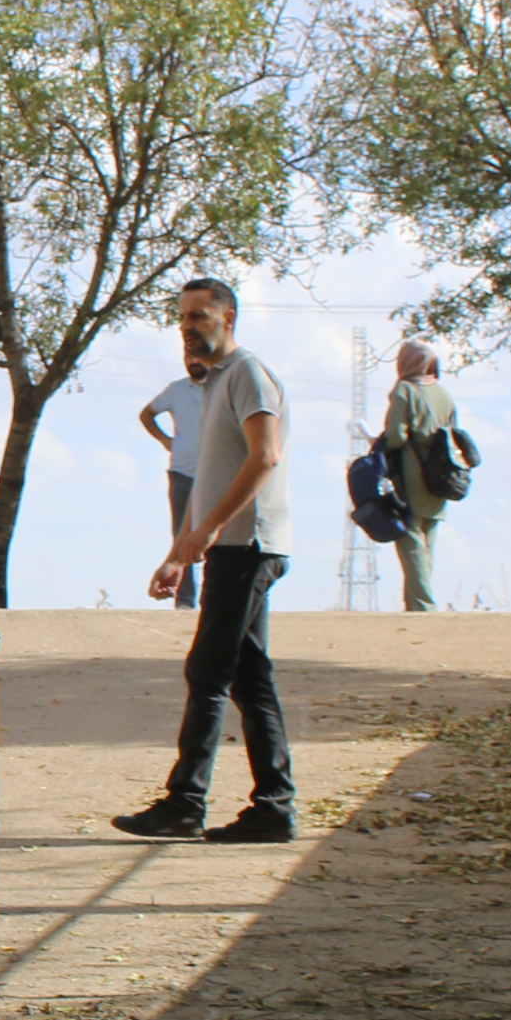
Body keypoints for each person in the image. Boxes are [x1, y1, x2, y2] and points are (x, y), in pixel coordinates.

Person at [114, 277, 294, 844]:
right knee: (249, 678)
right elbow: (208, 477)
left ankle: (185, 802)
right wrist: (178, 555)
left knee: (208, 671)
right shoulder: (213, 383)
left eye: (199, 316)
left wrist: (211, 531)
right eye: (183, 319)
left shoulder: (246, 373)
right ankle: (273, 808)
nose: (188, 328)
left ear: (228, 317)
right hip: (231, 546)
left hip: (249, 545)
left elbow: (265, 457)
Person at [374, 336, 457, 612]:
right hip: (442, 478)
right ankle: (417, 602)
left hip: (410, 476)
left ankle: (422, 606)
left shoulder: (404, 390)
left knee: (410, 542)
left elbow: (397, 436)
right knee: (427, 542)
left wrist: (379, 444)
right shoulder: (445, 395)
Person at [135, 355, 211, 610]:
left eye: (197, 357)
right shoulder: (176, 390)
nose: (193, 361)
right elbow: (147, 415)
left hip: (216, 473)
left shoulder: (222, 387)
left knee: (216, 535)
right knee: (181, 534)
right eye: (189, 358)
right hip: (182, 472)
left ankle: (212, 598)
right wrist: (167, 441)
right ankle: (185, 600)